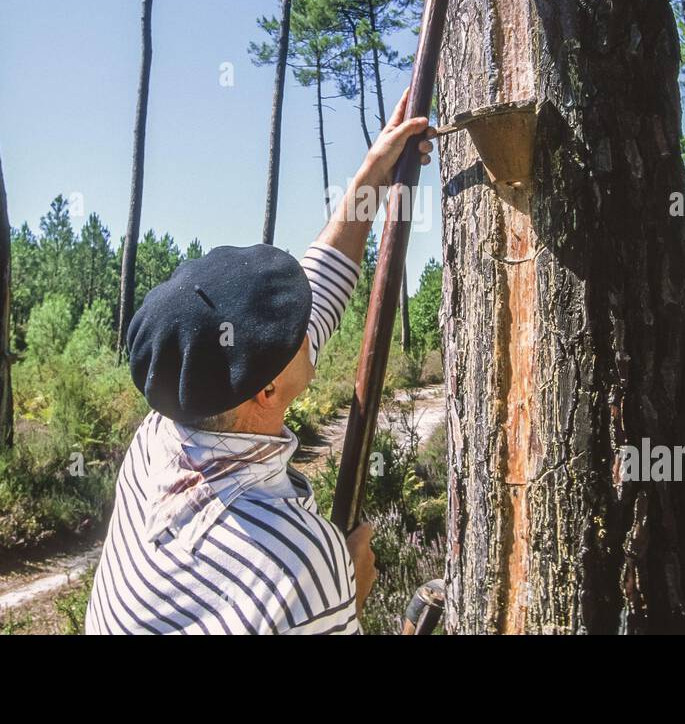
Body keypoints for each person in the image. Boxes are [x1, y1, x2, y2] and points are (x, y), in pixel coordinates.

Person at [84, 89, 433, 634]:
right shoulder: (297, 565)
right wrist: (348, 599)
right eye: (290, 328)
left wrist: (372, 176)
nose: (306, 322)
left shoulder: (160, 434)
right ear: (266, 391)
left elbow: (320, 282)